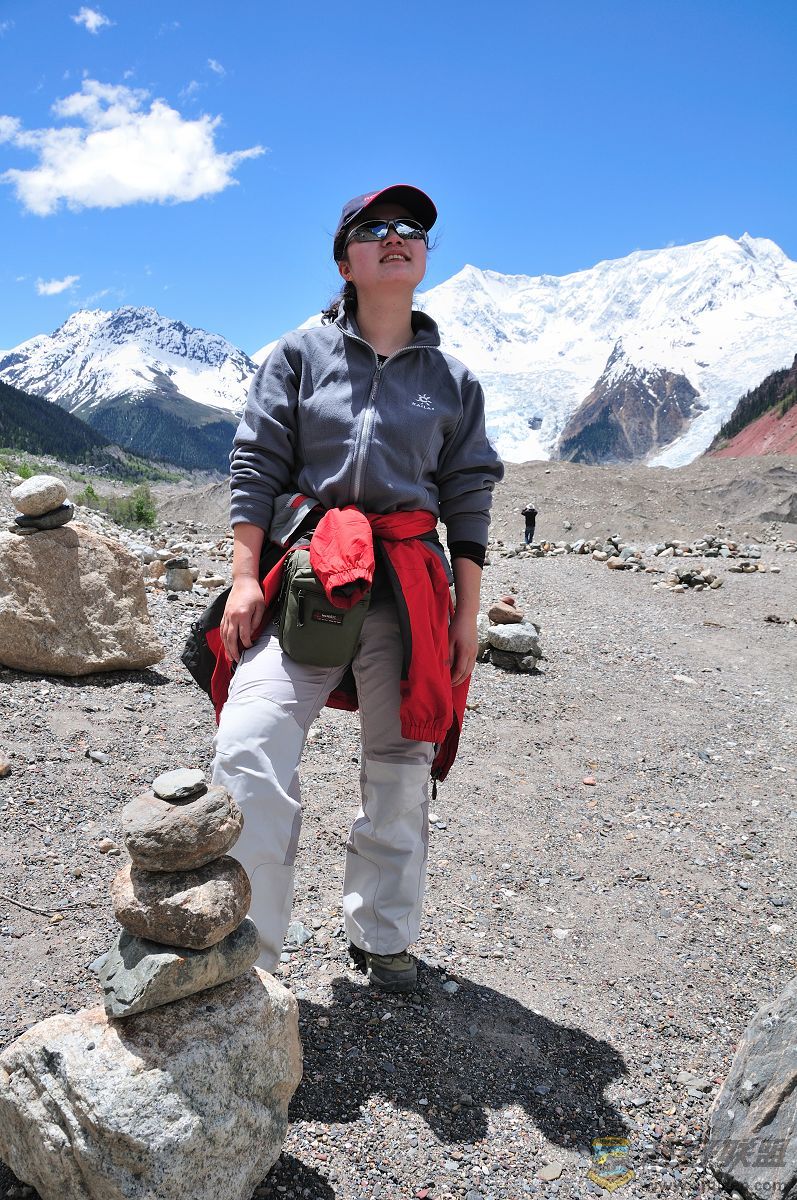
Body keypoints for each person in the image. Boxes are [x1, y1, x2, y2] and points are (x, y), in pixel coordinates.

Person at [211, 184, 503, 992]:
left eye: (411, 228)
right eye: (374, 228)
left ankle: (381, 934)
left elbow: (468, 495)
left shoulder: (452, 380)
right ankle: (249, 953)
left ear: (423, 255)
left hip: (409, 586)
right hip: (311, 575)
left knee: (401, 765)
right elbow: (256, 464)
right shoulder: (298, 355)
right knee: (249, 744)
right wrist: (243, 579)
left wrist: (467, 615)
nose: (396, 236)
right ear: (345, 261)